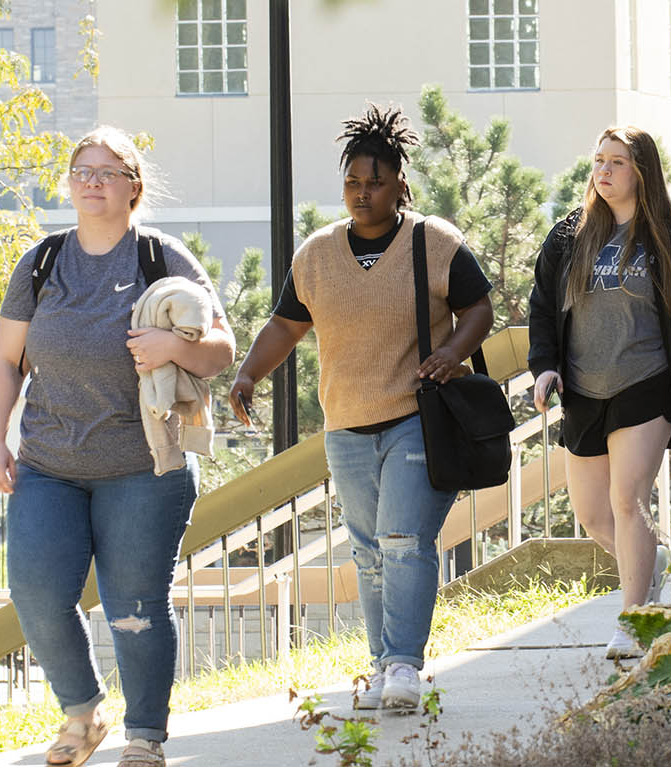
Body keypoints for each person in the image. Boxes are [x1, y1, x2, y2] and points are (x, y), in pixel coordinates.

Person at [0, 126, 235, 767]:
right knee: (36, 593)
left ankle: (145, 736)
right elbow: (7, 360)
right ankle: (83, 710)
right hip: (49, 464)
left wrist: (176, 347)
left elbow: (222, 348)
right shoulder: (42, 261)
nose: (92, 181)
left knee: (135, 605)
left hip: (142, 468)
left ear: (133, 188)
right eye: (81, 171)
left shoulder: (161, 258)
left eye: (107, 172)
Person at [228, 104, 494, 709]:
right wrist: (247, 373)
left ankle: (403, 664)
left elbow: (479, 309)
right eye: (353, 181)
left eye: (376, 182)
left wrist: (453, 352)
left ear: (401, 183)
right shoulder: (317, 255)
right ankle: (381, 668)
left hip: (414, 418)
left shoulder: (434, 241)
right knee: (370, 554)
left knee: (403, 540)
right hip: (346, 426)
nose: (362, 192)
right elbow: (287, 324)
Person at [527, 127, 671, 658]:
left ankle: (633, 622)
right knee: (594, 515)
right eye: (599, 160)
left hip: (645, 383)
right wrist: (544, 367)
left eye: (617, 162)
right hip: (583, 389)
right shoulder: (570, 235)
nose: (604, 171)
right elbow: (544, 308)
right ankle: (651, 567)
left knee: (627, 499)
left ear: (642, 172)